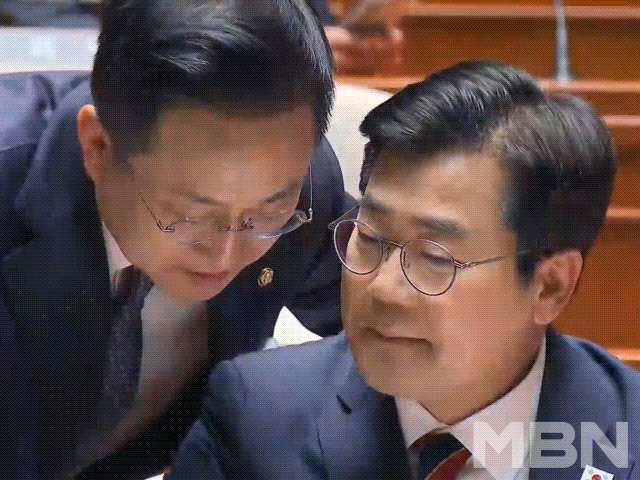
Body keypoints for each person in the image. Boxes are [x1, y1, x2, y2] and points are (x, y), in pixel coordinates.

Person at [167, 62, 640, 480]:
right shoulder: (255, 418)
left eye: (435, 259)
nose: (383, 288)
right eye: (369, 239)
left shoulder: (627, 437)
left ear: (549, 286)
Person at [0, 0, 354, 478]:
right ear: (98, 147)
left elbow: (403, 340)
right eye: (191, 216)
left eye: (267, 213)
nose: (226, 255)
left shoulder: (299, 186)